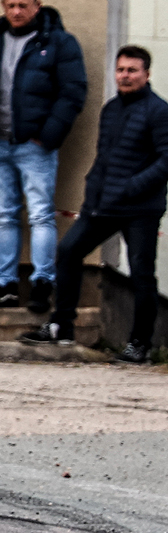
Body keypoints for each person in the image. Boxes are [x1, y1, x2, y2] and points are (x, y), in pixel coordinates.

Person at [22, 45, 168, 363]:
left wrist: (132, 187)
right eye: (121, 70)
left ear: (147, 74)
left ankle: (140, 344)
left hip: (140, 209)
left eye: (132, 70)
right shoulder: (112, 109)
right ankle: (62, 326)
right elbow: (103, 159)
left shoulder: (159, 111)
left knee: (142, 274)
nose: (125, 76)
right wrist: (93, 191)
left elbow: (165, 161)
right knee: (69, 250)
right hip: (101, 205)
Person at [0, 0, 87, 311]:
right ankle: (4, 284)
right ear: (2, 6)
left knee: (40, 215)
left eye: (23, 5)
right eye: (10, 5)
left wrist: (49, 135)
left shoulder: (59, 43)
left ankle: (42, 284)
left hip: (34, 145)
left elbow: (73, 92)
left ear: (37, 5)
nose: (17, 11)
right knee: (4, 217)